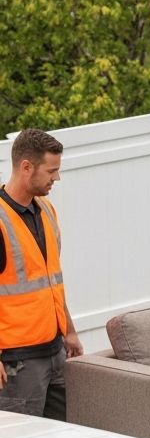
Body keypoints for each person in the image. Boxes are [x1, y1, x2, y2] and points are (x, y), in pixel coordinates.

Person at [0, 128, 82, 419]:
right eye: (52, 171)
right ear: (26, 167)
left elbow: (52, 282)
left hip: (55, 352)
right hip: (18, 364)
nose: (56, 178)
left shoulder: (47, 211)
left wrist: (69, 331)